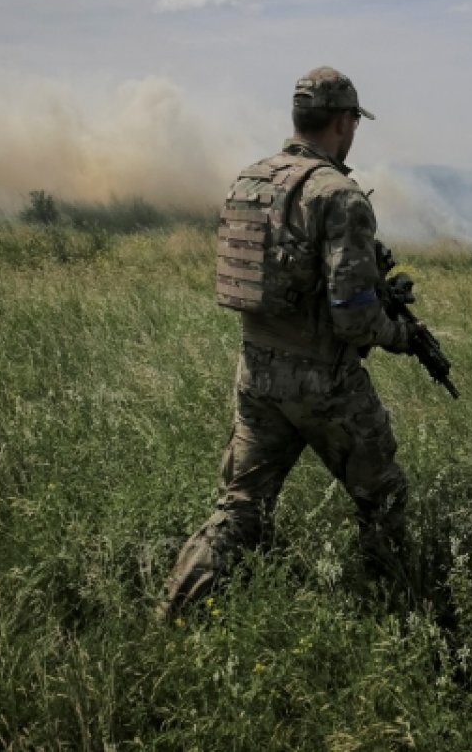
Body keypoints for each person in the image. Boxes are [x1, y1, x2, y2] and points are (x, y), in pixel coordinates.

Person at [161, 66, 416, 618]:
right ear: (344, 122)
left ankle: (172, 616)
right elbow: (354, 319)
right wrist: (400, 336)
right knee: (385, 499)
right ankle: (396, 620)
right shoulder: (340, 196)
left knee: (240, 508)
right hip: (323, 382)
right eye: (354, 122)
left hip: (256, 373)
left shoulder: (249, 180)